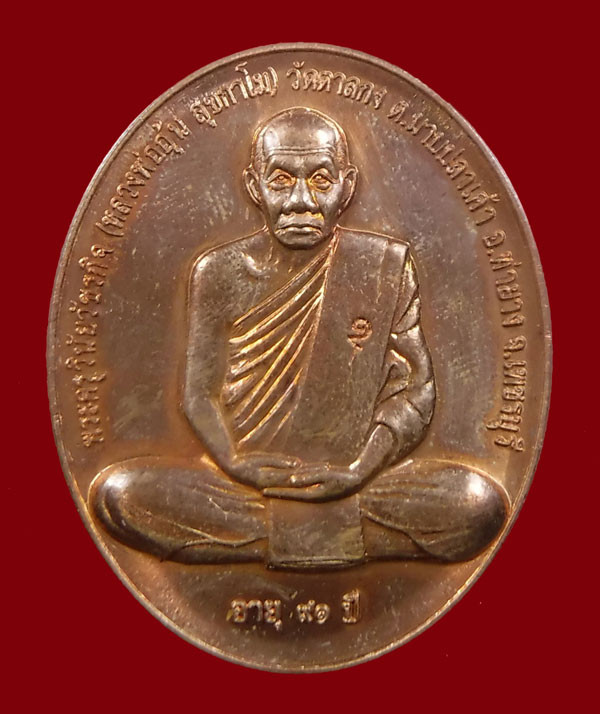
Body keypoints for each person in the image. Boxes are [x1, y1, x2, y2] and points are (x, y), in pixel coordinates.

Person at [90, 107, 507, 569]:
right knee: (120, 497)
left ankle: (267, 537)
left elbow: (413, 393)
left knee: (477, 504)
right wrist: (236, 463)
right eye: (282, 180)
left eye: (321, 181)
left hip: (358, 483)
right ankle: (337, 534)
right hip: (245, 486)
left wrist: (358, 471)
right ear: (255, 187)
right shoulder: (219, 272)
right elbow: (198, 395)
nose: (300, 201)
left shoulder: (382, 266)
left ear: (347, 187)